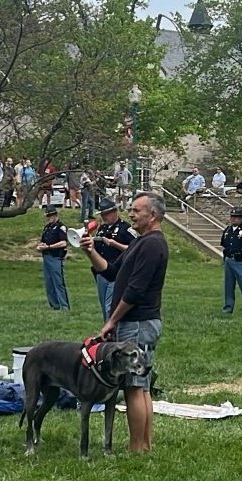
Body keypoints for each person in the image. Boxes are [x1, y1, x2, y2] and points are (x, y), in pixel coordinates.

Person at [78, 192, 169, 453]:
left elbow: (135, 290)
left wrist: (112, 321)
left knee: (133, 387)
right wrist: (90, 251)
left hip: (138, 323)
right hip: (138, 322)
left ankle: (136, 448)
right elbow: (111, 271)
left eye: (137, 210)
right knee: (142, 388)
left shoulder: (153, 245)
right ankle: (144, 446)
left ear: (152, 215)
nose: (131, 213)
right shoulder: (141, 243)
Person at [92, 198, 136, 321]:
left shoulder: (125, 229)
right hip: (102, 271)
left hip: (117, 271)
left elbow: (134, 248)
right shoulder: (102, 229)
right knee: (103, 305)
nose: (104, 217)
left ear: (114, 212)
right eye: (102, 214)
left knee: (110, 305)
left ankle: (111, 330)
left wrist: (114, 244)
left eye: (106, 214)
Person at [37, 205, 70, 310]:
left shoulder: (60, 227)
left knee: (58, 282)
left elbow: (63, 243)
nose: (49, 218)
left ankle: (64, 305)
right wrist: (41, 246)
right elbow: (43, 240)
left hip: (55, 256)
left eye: (51, 215)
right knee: (49, 283)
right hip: (46, 256)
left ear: (55, 215)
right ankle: (54, 305)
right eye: (48, 216)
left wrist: (50, 247)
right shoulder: (47, 227)